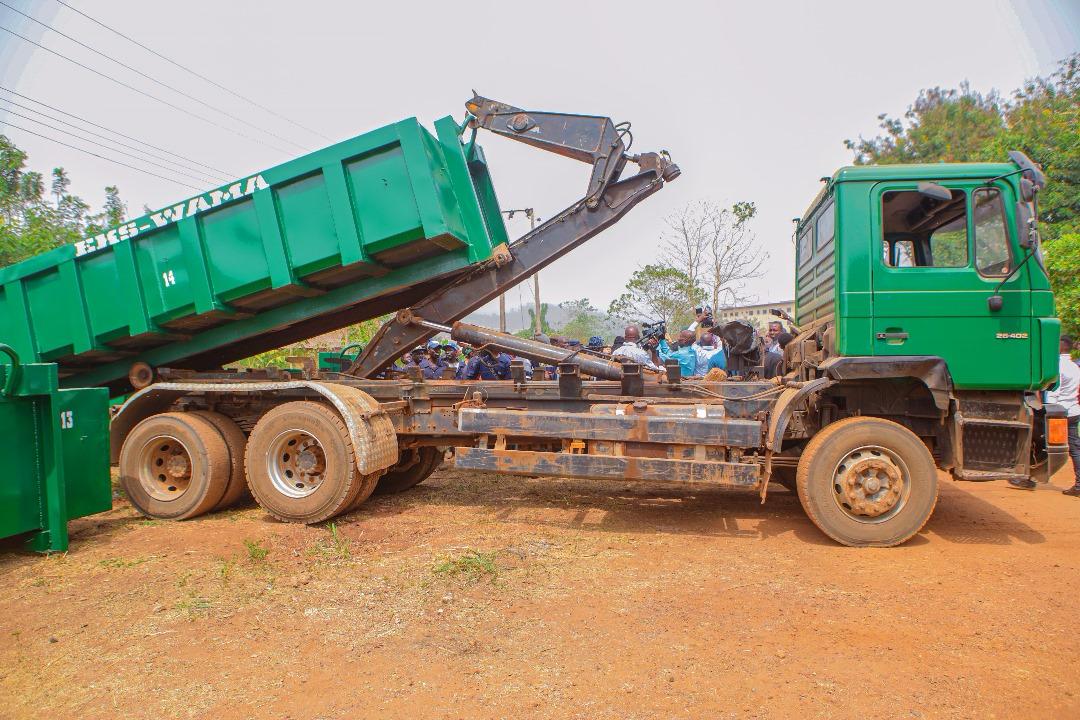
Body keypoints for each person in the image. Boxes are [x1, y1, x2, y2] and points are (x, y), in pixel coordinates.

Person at [1019, 336, 1080, 494]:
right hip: (1073, 410)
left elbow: (1054, 393)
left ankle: (1027, 478)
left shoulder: (1058, 366)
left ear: (1060, 347)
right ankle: (1079, 483)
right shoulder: (1074, 366)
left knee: (1037, 444)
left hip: (1058, 412)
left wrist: (1043, 410)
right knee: (1074, 448)